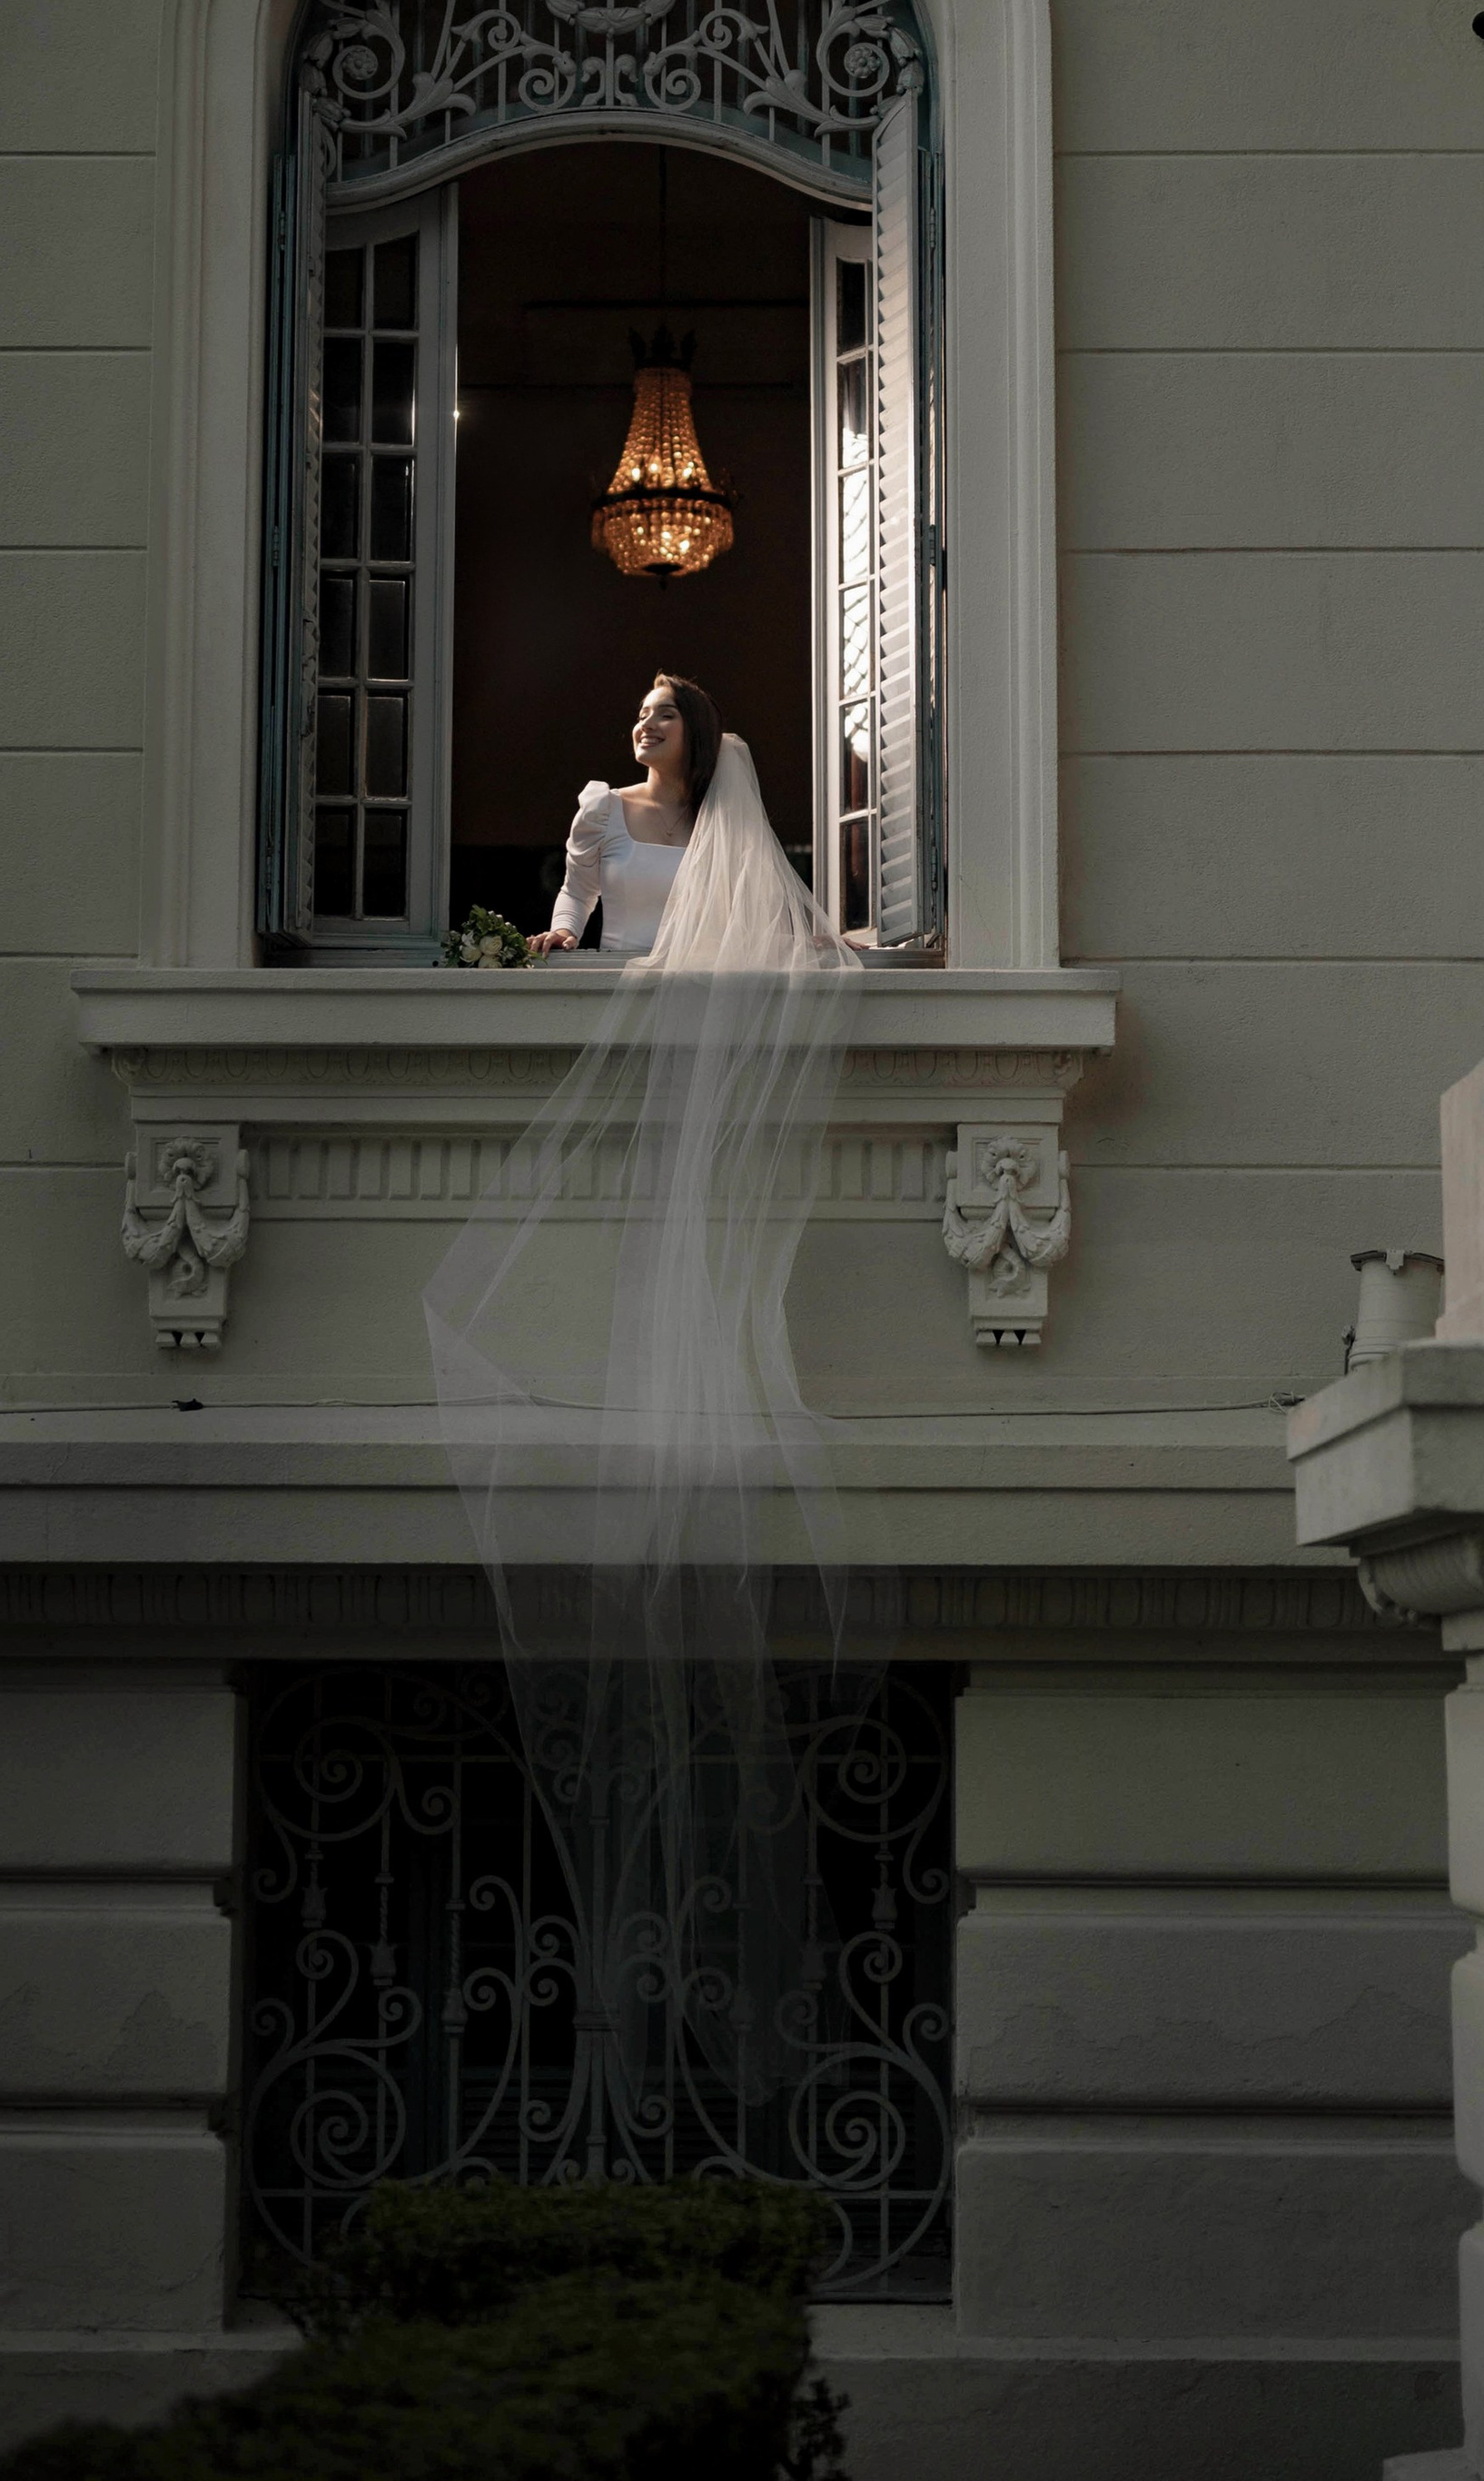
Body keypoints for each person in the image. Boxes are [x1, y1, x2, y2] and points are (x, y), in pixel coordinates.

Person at [425, 671, 876, 2164]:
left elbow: (791, 930)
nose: (644, 737)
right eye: (637, 720)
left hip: (699, 1032)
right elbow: (575, 907)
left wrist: (841, 948)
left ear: (702, 734)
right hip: (633, 1013)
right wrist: (550, 945)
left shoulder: (738, 829)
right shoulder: (598, 815)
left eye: (662, 720)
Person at [530, 670, 717, 960]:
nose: (646, 725)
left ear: (696, 731)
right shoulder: (604, 809)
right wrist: (564, 931)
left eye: (665, 715)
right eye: (643, 716)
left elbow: (752, 906)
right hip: (617, 979)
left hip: (697, 983)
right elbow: (578, 892)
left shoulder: (721, 817)